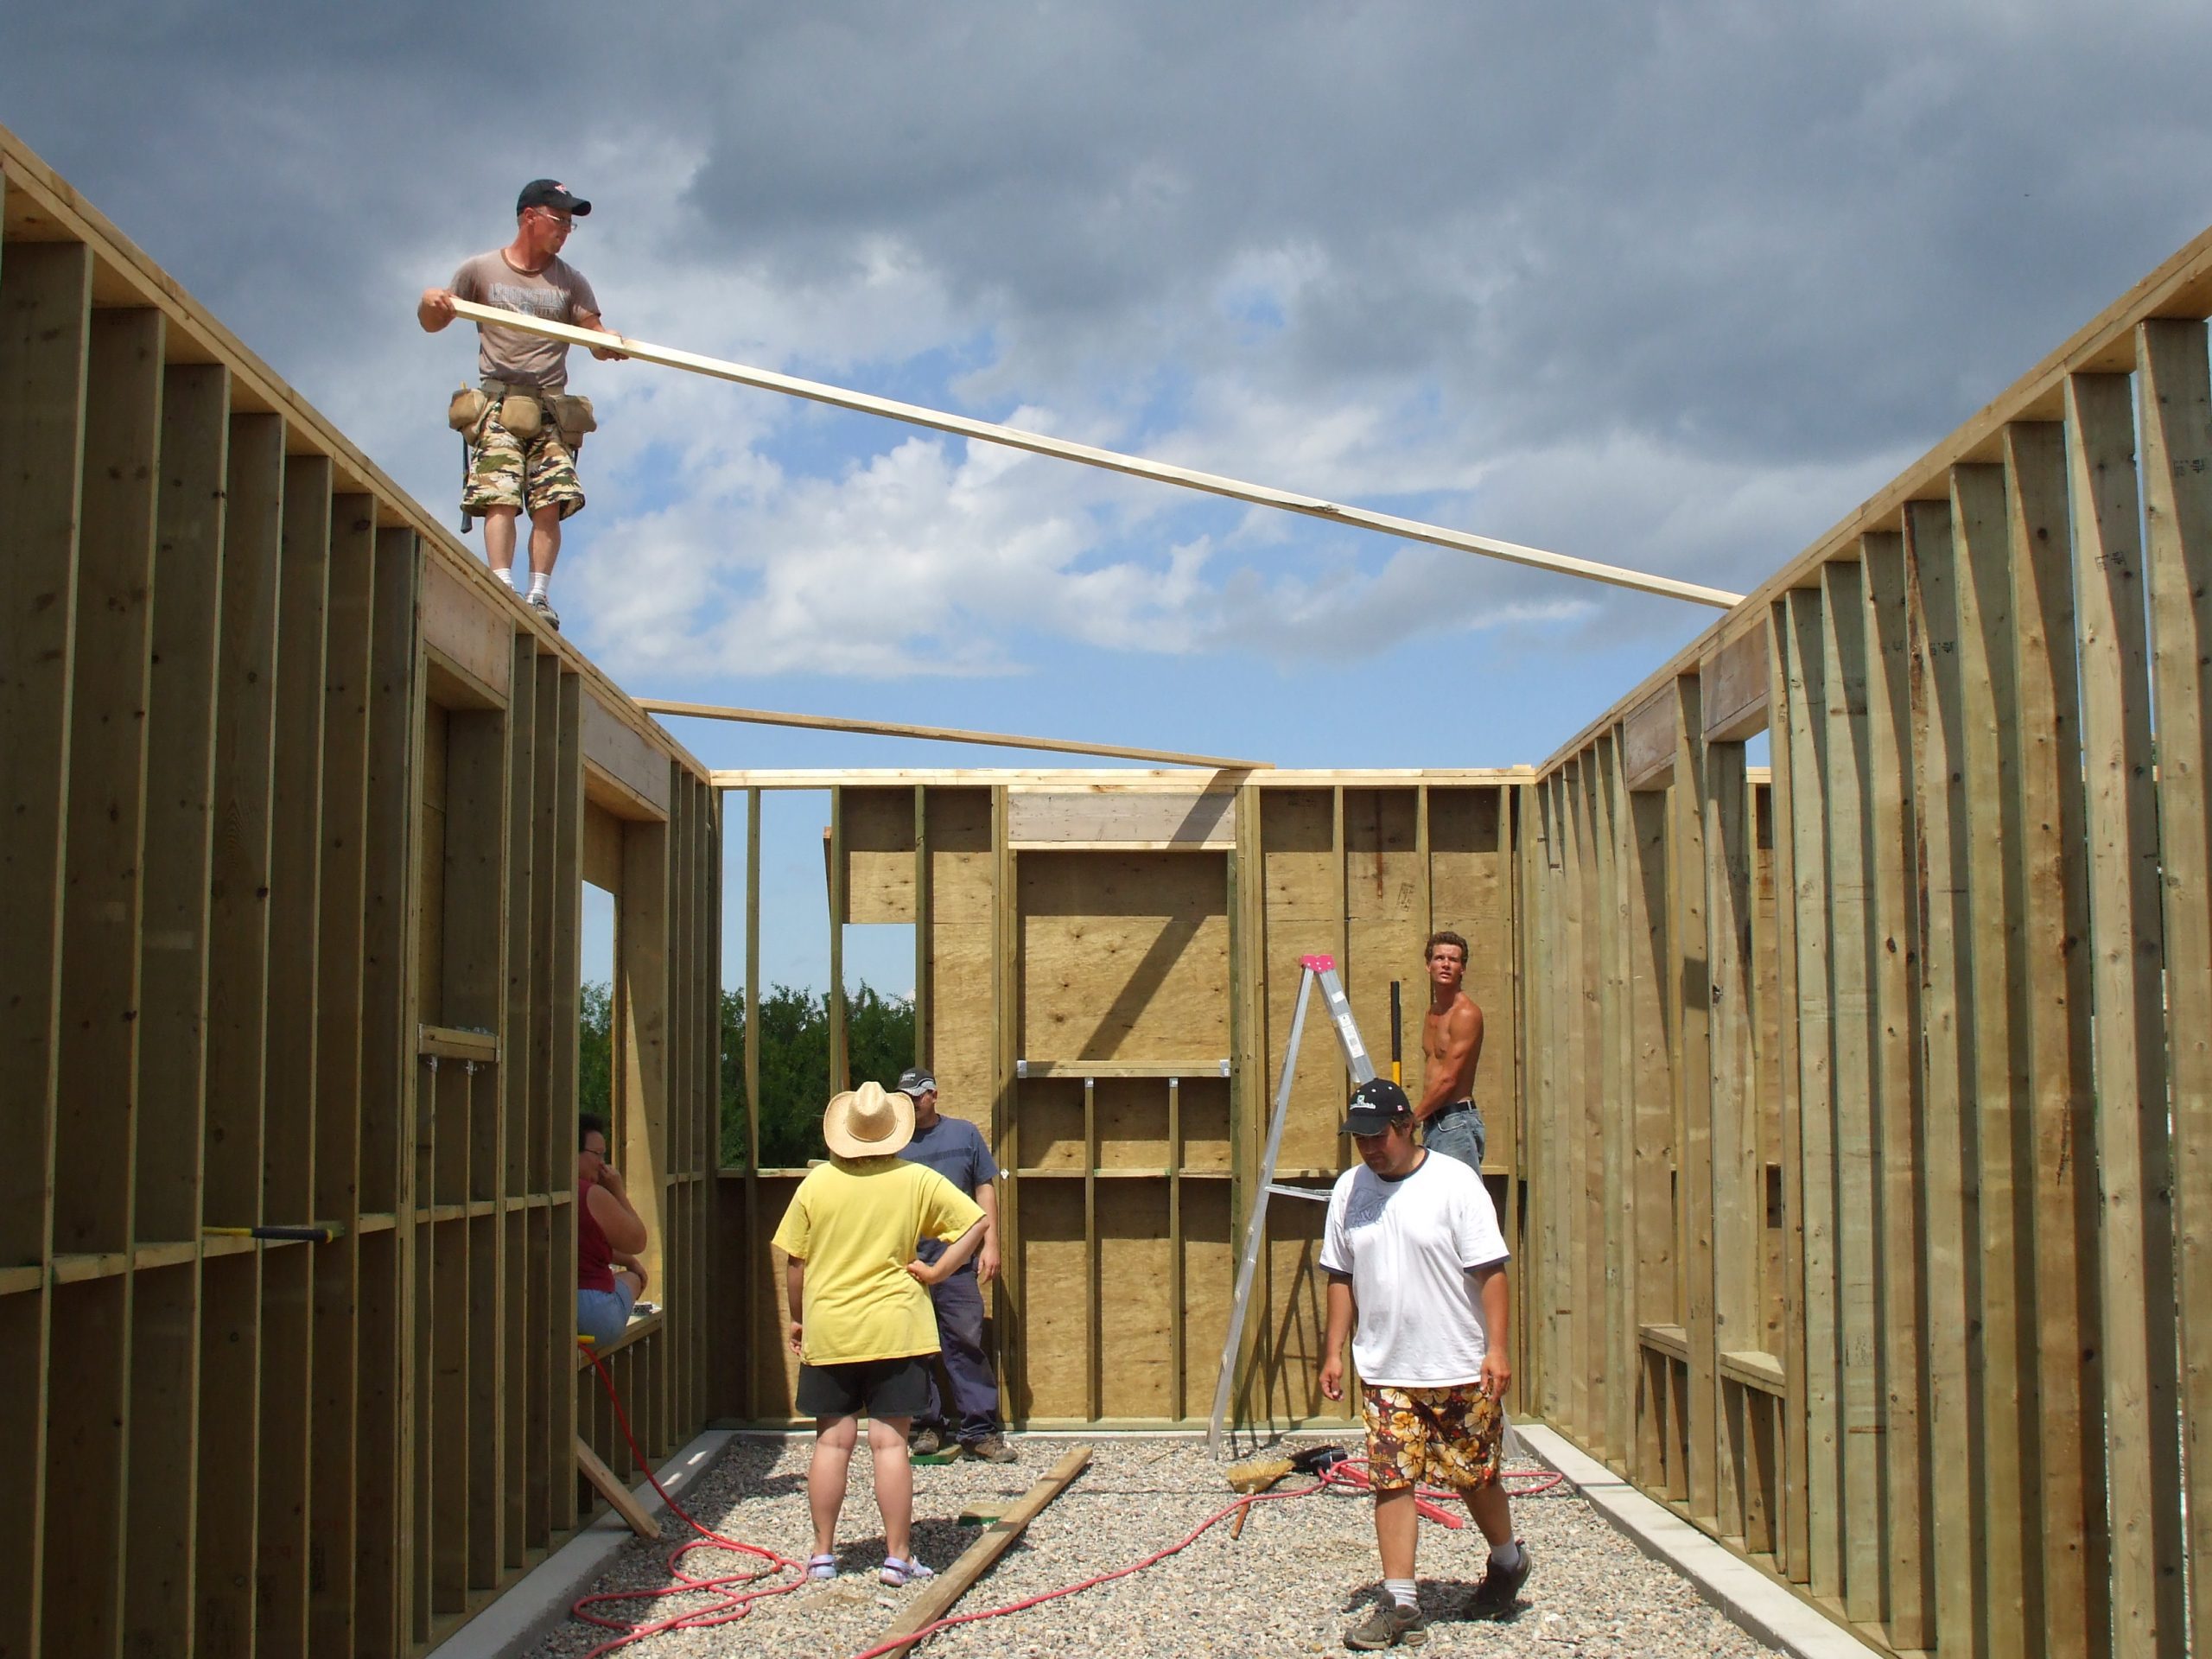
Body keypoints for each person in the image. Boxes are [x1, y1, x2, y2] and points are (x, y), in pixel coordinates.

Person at [1319, 1078, 1530, 1649]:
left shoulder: (1454, 1184)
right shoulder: (1349, 1191)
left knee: (1475, 1477)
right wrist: (1335, 1350)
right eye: (1358, 1138)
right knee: (1392, 1480)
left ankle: (1508, 1560)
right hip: (1387, 1370)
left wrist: (1498, 1348)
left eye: (1377, 1135)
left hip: (1457, 1365)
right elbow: (1340, 1275)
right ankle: (1401, 1602)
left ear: (1407, 1126)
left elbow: (1492, 1272)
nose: (1368, 1147)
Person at [772, 1081, 986, 1586]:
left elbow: (795, 1263)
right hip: (897, 1327)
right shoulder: (916, 1179)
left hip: (833, 1327)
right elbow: (975, 1223)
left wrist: (799, 1316)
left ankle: (823, 1555)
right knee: (890, 1445)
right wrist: (937, 1273)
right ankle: (897, 1557)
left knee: (831, 1442)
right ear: (894, 1131)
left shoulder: (816, 1184)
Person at [416, 179, 624, 629]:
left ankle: (538, 595)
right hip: (499, 402)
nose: (565, 230)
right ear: (530, 216)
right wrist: (432, 302)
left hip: (550, 407)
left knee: (552, 500)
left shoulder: (570, 280)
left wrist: (608, 343)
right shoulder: (483, 270)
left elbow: (594, 332)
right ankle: (501, 584)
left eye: (570, 224)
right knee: (501, 497)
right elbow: (435, 321)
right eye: (559, 220)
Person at [892, 1068, 1016, 1463]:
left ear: (934, 1095)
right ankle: (926, 1426)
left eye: (917, 1096)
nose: (911, 1103)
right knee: (912, 1350)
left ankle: (979, 1430)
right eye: (905, 1097)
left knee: (964, 1344)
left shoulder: (964, 1134)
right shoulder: (892, 1143)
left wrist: (990, 1244)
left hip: (958, 1263)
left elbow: (984, 1189)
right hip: (907, 1265)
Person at [1414, 930, 1486, 1172]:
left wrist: (1413, 1119)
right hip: (1434, 1122)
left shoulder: (1466, 1014)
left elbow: (1448, 1079)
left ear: (1462, 969)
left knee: (1460, 1205)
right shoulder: (1433, 1012)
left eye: (1453, 960)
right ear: (1428, 965)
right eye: (1439, 958)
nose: (1446, 965)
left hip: (1456, 1123)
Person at [577, 1113, 649, 1345]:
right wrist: (617, 1191)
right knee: (633, 1277)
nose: (602, 1164)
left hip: (548, 1313)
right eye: (597, 1154)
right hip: (593, 1315)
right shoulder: (590, 1194)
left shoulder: (547, 1193)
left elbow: (585, 1245)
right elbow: (637, 1241)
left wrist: (626, 1259)